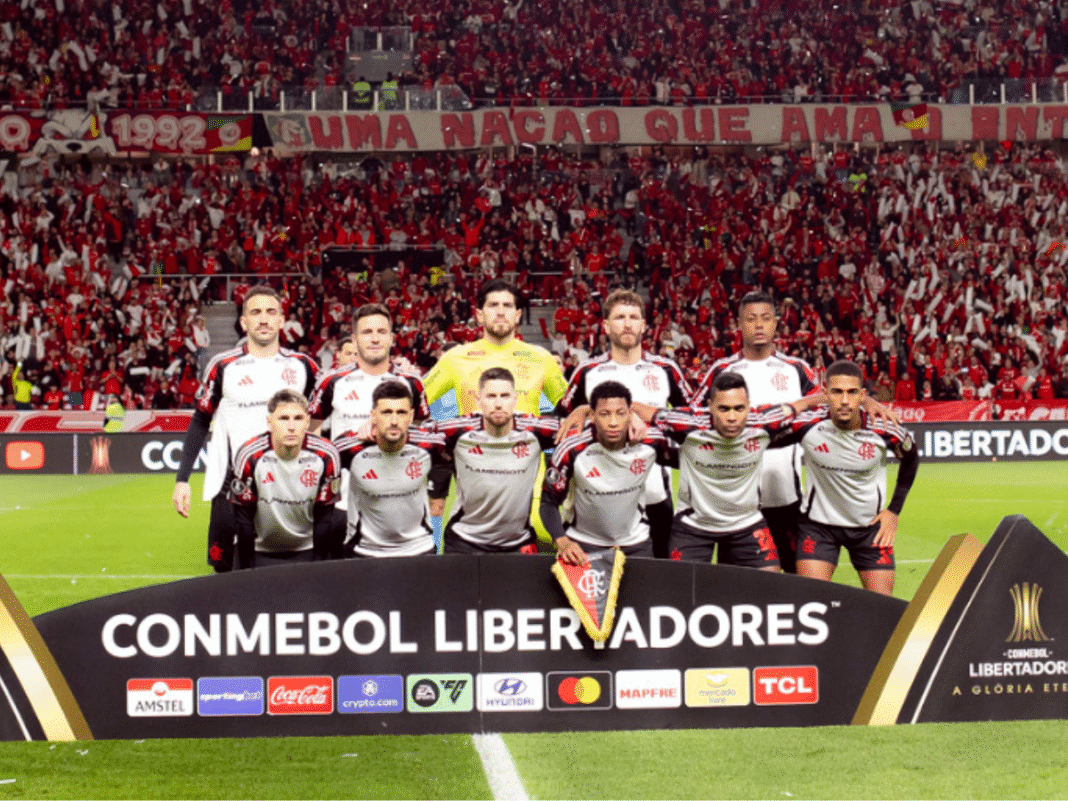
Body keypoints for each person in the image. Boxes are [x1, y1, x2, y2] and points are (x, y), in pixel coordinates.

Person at [172, 286, 320, 572]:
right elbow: (201, 419)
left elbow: (325, 413)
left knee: (289, 570)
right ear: (244, 322)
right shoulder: (224, 366)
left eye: (270, 312)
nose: (263, 319)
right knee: (225, 571)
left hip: (289, 484)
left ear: (281, 319)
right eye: (255, 312)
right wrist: (182, 479)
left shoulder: (304, 366)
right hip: (232, 486)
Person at [555, 289, 695, 558]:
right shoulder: (588, 371)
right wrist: (583, 410)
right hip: (600, 497)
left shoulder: (666, 370)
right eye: (620, 317)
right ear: (606, 326)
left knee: (656, 581)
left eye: (634, 317)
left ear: (644, 325)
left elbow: (692, 423)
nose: (627, 323)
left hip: (654, 493)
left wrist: (647, 414)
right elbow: (561, 422)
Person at [423, 279, 568, 540]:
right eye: (493, 305)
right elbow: (416, 403)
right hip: (474, 480)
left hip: (526, 481)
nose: (500, 311)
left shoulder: (541, 358)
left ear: (517, 315)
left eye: (507, 305)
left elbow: (572, 407)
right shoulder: (455, 358)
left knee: (540, 544)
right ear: (479, 314)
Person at [635, 372, 824, 570]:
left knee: (770, 582)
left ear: (749, 407)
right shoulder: (688, 423)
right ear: (710, 407)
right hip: (693, 526)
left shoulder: (763, 422)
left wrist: (821, 398)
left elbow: (793, 408)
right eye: (723, 409)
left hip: (746, 523)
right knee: (682, 594)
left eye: (739, 409)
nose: (732, 417)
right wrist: (632, 416)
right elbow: (644, 410)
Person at [692, 291, 818, 573]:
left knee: (795, 584)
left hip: (787, 498)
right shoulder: (722, 370)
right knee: (738, 587)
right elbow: (694, 419)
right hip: (735, 504)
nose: (758, 325)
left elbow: (823, 410)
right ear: (739, 325)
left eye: (765, 318)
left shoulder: (797, 369)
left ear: (776, 324)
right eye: (751, 319)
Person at [775, 360, 920, 596]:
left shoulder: (883, 428)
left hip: (869, 528)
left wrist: (894, 510)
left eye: (852, 393)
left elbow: (911, 458)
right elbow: (761, 433)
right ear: (825, 394)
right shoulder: (806, 425)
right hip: (818, 527)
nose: (844, 401)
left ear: (863, 395)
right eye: (837, 392)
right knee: (811, 603)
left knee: (881, 607)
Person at [541, 380, 674, 564]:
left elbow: (688, 458)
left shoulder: (650, 441)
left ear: (630, 414)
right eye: (605, 414)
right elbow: (548, 501)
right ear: (593, 416)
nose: (613, 422)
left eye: (620, 414)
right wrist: (562, 541)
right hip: (583, 545)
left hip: (637, 543)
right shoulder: (573, 447)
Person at [433, 367, 560, 554]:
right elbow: (413, 434)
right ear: (478, 400)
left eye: (505, 396)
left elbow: (577, 428)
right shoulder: (459, 429)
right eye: (491, 396)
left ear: (515, 399)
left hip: (518, 543)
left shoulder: (535, 430)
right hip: (464, 542)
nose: (498, 404)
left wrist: (582, 411)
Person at [229, 389, 344, 567]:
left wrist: (318, 567)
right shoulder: (249, 455)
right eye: (283, 418)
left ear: (307, 422)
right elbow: (243, 518)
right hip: (260, 549)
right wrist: (247, 569)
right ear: (270, 422)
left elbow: (325, 517)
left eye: (298, 418)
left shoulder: (327, 455)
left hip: (308, 548)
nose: (291, 426)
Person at [334, 380, 448, 558]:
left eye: (401, 413)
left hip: (419, 548)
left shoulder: (429, 444)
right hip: (365, 550)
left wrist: (439, 495)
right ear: (373, 415)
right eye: (386, 412)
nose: (394, 421)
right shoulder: (350, 449)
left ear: (411, 416)